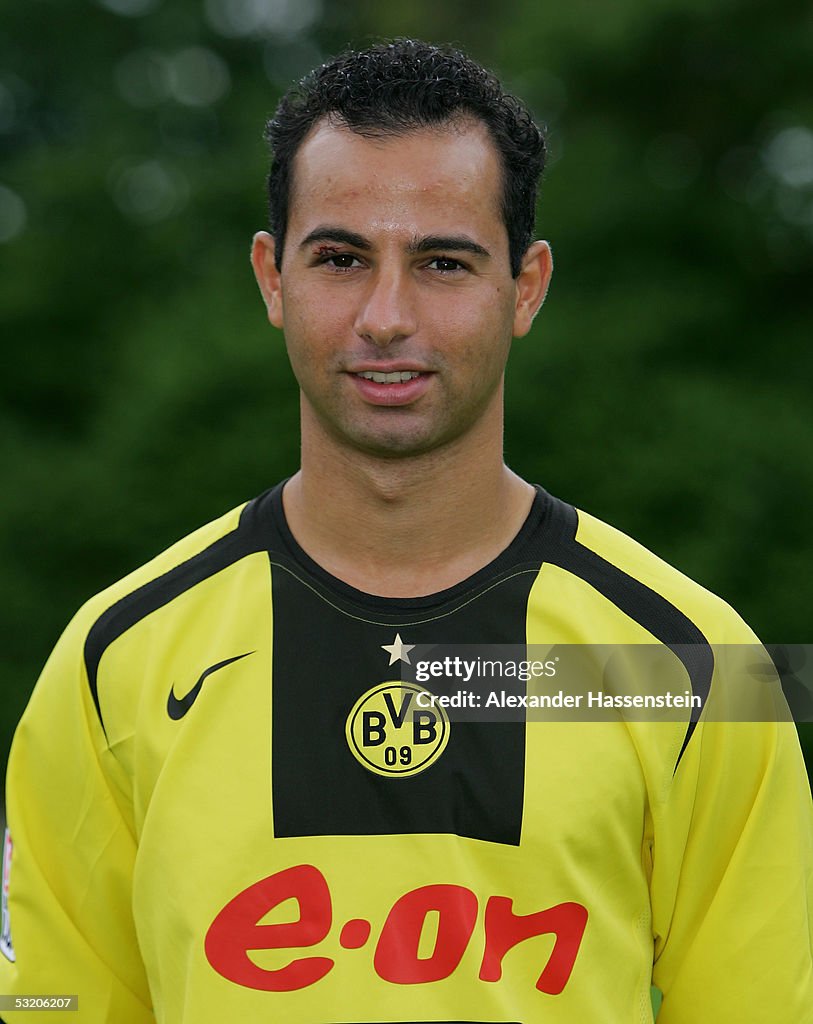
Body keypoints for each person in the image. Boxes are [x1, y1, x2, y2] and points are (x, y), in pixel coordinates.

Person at [1, 38, 811, 1024]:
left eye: (442, 261)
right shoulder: (109, 663)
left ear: (525, 286)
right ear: (271, 277)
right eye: (341, 258)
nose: (386, 315)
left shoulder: (700, 663)